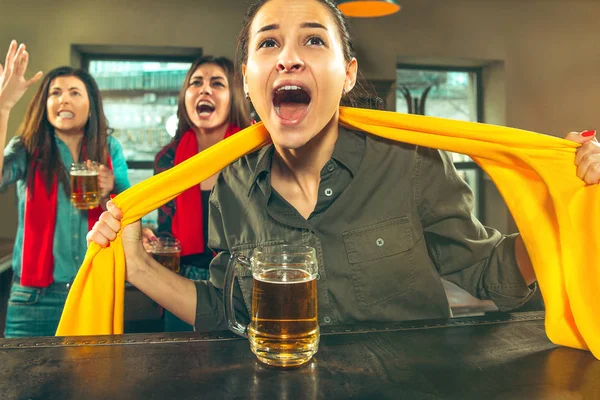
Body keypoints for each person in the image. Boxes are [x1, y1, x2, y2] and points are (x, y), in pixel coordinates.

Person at [87, 0, 600, 331]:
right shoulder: (234, 184)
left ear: (348, 73)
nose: (288, 58)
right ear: (248, 79)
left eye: (313, 39)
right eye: (268, 42)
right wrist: (137, 266)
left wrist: (569, 210)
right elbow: (231, 312)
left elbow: (493, 277)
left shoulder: (411, 162)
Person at [0, 41, 130, 337]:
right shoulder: (26, 147)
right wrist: (3, 106)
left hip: (94, 291)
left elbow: (130, 212)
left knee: (92, 383)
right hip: (32, 298)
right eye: (55, 93)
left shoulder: (110, 148)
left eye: (75, 93)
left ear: (90, 104)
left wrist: (112, 188)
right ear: (44, 104)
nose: (64, 100)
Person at [152, 56, 250, 331]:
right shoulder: (167, 159)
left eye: (217, 83)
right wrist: (154, 243)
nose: (204, 90)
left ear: (235, 97)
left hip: (242, 283)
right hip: (182, 284)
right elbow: (166, 230)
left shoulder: (255, 153)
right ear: (185, 97)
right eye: (196, 83)